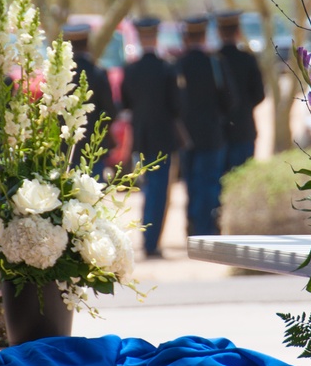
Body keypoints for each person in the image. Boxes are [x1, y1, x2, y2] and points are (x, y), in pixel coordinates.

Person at [120, 17, 183, 258]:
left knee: (148, 188)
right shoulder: (167, 68)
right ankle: (151, 242)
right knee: (158, 190)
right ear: (156, 37)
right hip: (164, 137)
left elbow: (125, 104)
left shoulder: (131, 69)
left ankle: (148, 239)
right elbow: (176, 105)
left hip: (142, 137)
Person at [175, 15, 233, 236]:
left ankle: (192, 226)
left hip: (186, 135)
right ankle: (206, 228)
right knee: (209, 182)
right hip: (211, 132)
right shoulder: (215, 63)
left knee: (191, 184)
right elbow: (229, 100)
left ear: (187, 37)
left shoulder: (179, 64)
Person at [63, 23, 117, 178]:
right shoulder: (98, 73)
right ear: (87, 44)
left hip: (64, 149)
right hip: (92, 149)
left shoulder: (61, 75)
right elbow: (110, 111)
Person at [214, 11, 265, 174]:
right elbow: (259, 94)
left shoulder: (213, 59)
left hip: (218, 130)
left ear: (219, 33)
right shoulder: (247, 59)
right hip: (244, 127)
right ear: (238, 32)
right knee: (243, 178)